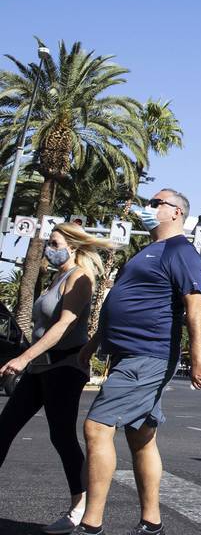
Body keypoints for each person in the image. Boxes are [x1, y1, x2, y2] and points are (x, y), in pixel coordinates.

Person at [75, 189, 201, 535]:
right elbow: (120, 301)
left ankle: (90, 525)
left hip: (146, 354)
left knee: (96, 427)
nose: (147, 209)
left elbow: (194, 305)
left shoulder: (182, 250)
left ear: (177, 212)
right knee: (142, 436)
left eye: (156, 204)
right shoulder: (149, 250)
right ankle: (152, 523)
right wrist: (94, 342)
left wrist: (197, 357)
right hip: (128, 353)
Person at [0, 223, 103, 533]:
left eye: (55, 242)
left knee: (61, 436)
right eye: (49, 241)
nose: (49, 247)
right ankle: (79, 504)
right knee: (4, 428)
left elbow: (63, 327)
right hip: (40, 367)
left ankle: (79, 506)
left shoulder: (80, 279)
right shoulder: (55, 278)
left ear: (72, 246)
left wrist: (23, 357)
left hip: (65, 367)